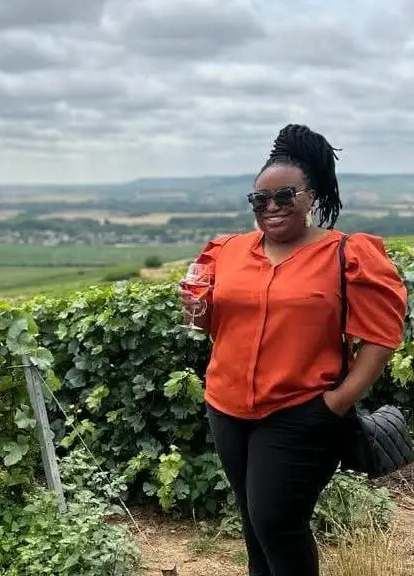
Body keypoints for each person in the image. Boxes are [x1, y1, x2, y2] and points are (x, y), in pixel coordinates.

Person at [179, 124, 408, 576]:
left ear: (311, 195)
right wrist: (197, 313)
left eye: (284, 196)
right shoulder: (227, 251)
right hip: (226, 408)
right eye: (259, 200)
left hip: (301, 411)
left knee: (277, 522)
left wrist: (335, 405)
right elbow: (215, 330)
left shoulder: (346, 254)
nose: (271, 207)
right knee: (253, 522)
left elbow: (381, 339)